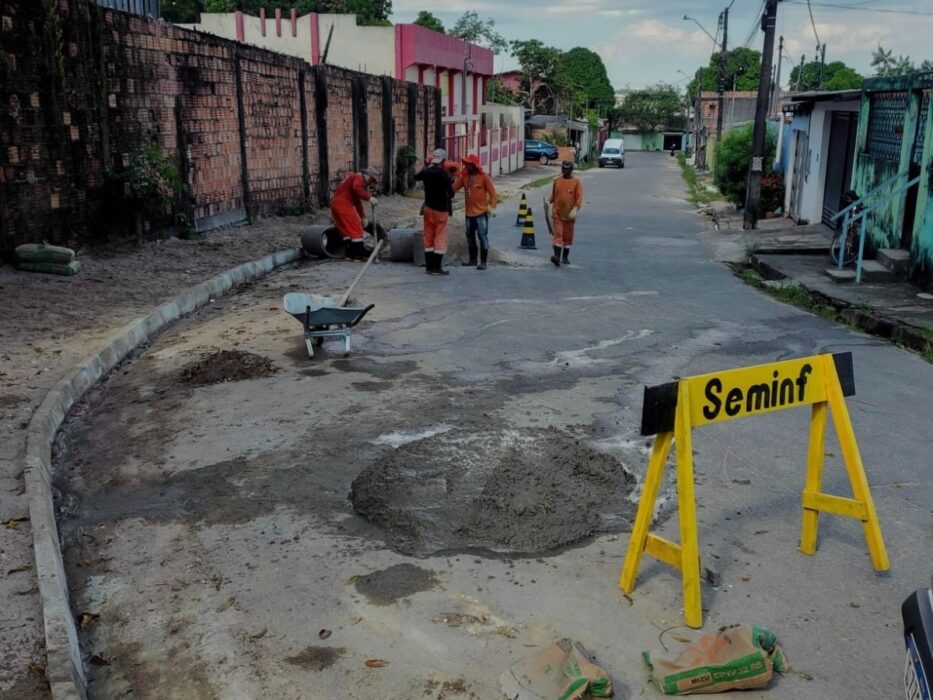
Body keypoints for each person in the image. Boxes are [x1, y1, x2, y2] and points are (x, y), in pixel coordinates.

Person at [452, 154, 497, 270]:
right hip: (468, 214)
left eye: (468, 164)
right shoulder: (464, 177)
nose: (466, 165)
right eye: (465, 163)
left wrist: (492, 207)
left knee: (482, 237)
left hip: (481, 213)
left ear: (474, 165)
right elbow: (454, 188)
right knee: (470, 237)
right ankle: (472, 260)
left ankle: (483, 262)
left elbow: (493, 193)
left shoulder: (484, 177)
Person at [414, 148, 455, 276]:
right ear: (443, 160)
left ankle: (429, 267)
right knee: (439, 236)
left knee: (428, 236)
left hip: (428, 209)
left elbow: (416, 177)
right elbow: (452, 194)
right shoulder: (444, 175)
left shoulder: (426, 172)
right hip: (441, 210)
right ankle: (437, 268)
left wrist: (427, 166)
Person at [331, 167, 379, 261]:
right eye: (372, 181)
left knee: (346, 231)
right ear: (369, 177)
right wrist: (368, 198)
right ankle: (358, 255)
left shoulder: (353, 179)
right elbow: (356, 188)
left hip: (335, 204)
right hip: (343, 205)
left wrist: (363, 217)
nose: (370, 184)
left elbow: (357, 202)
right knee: (356, 229)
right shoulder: (359, 177)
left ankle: (349, 254)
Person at [548, 160, 583, 267]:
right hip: (557, 213)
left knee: (567, 237)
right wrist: (548, 202)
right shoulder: (557, 181)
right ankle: (557, 257)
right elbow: (553, 196)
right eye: (563, 168)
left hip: (569, 215)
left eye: (567, 168)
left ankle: (565, 257)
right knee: (558, 234)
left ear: (571, 170)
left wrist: (575, 209)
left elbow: (579, 197)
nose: (564, 170)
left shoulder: (576, 182)